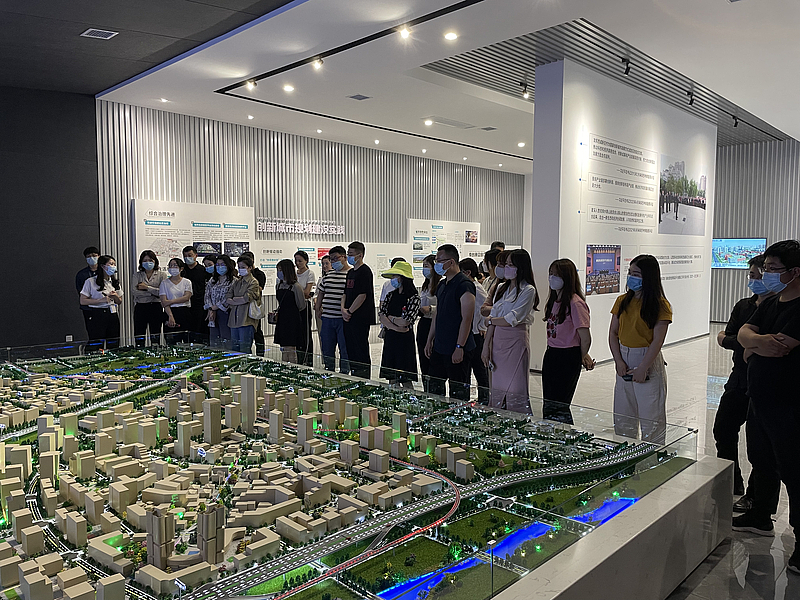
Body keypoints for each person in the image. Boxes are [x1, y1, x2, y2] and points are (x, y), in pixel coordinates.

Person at [734, 240, 800, 573]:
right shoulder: (773, 301)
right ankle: (760, 515)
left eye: (773, 269)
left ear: (794, 272)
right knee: (760, 458)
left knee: (793, 470)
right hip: (759, 399)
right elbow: (744, 334)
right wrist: (757, 342)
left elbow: (781, 347)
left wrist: (753, 345)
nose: (767, 274)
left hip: (788, 403)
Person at [714, 254, 771, 512]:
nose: (753, 280)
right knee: (723, 429)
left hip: (764, 381)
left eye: (758, 276)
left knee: (760, 445)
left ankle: (754, 497)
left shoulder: (778, 308)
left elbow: (775, 344)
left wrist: (745, 341)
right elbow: (726, 337)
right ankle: (730, 480)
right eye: (751, 276)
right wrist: (748, 342)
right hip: (738, 378)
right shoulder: (743, 306)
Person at [608, 254, 671, 442]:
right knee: (623, 418)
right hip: (624, 357)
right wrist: (618, 361)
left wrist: (643, 367)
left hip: (647, 358)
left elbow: (657, 341)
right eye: (630, 273)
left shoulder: (660, 305)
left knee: (651, 420)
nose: (631, 277)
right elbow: (613, 333)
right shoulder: (622, 301)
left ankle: (651, 457)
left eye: (636, 274)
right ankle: (625, 454)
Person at [483, 249, 538, 413]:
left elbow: (512, 318)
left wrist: (491, 320)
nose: (506, 268)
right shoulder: (501, 287)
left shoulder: (528, 290)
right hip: (497, 342)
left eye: (510, 265)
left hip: (515, 342)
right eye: (506, 265)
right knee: (497, 389)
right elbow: (493, 315)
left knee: (516, 388)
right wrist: (486, 346)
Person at [542, 258, 595, 423]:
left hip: (567, 357)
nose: (552, 278)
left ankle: (563, 434)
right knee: (549, 403)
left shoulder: (575, 303)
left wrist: (581, 355)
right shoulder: (555, 301)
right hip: (552, 353)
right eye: (551, 274)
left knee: (560, 405)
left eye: (556, 275)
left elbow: (585, 337)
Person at [425, 244, 476, 400]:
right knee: (434, 387)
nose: (437, 264)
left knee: (458, 391)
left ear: (451, 262)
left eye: (440, 261)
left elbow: (467, 319)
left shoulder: (464, 285)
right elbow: (437, 314)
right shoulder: (442, 284)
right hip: (440, 346)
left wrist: (459, 346)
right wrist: (430, 339)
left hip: (457, 347)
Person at [378, 261, 420, 387]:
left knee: (406, 378)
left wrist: (391, 319)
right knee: (391, 376)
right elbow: (382, 316)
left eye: (395, 276)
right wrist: (396, 326)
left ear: (402, 278)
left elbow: (406, 321)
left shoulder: (413, 297)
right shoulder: (391, 295)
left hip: (405, 341)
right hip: (391, 338)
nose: (393, 279)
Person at [342, 241, 375, 378]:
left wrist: (349, 311)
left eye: (351, 254)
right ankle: (354, 373)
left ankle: (364, 376)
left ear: (360, 255)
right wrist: (343, 309)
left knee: (360, 347)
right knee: (350, 348)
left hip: (360, 317)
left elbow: (362, 295)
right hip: (347, 316)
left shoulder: (365, 271)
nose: (349, 257)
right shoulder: (350, 272)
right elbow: (345, 293)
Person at [459, 258, 490, 403]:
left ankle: (485, 399)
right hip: (470, 332)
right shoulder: (467, 286)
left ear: (468, 272)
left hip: (476, 334)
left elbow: (485, 309)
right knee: (467, 370)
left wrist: (482, 327)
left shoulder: (476, 288)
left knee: (479, 369)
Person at [316, 246, 350, 373]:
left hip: (343, 319)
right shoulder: (328, 276)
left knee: (344, 349)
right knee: (327, 348)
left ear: (344, 257)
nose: (333, 261)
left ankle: (344, 374)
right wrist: (318, 308)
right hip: (327, 318)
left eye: (336, 258)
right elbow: (321, 293)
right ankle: (329, 372)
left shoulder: (350, 275)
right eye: (331, 259)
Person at [79, 255, 123, 350]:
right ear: (102, 266)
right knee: (97, 343)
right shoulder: (90, 281)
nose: (113, 266)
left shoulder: (114, 282)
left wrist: (115, 296)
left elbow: (119, 301)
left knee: (113, 342)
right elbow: (83, 301)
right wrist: (100, 300)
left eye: (114, 264)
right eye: (111, 264)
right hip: (97, 314)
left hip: (112, 313)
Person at [225, 255, 262, 354]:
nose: (240, 269)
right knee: (234, 348)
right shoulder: (237, 282)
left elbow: (246, 298)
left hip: (246, 320)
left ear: (250, 268)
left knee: (244, 349)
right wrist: (237, 300)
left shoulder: (253, 282)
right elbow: (228, 297)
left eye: (243, 267)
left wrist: (234, 299)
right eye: (239, 267)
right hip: (234, 319)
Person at [274, 259, 307, 364]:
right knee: (283, 348)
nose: (279, 272)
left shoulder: (296, 286)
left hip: (292, 319)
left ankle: (293, 367)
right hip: (282, 318)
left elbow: (301, 305)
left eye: (280, 270)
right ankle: (284, 366)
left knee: (291, 348)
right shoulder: (278, 285)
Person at [131, 250, 166, 346]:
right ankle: (139, 350)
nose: (148, 263)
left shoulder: (162, 275)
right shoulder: (137, 275)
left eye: (150, 260)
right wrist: (152, 293)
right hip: (141, 306)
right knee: (139, 333)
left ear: (155, 261)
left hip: (156, 306)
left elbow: (162, 292)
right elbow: (135, 292)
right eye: (145, 260)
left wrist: (146, 288)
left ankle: (155, 350)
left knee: (155, 334)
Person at [417, 255, 441, 391]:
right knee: (423, 360)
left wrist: (431, 309)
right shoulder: (425, 285)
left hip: (435, 324)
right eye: (423, 266)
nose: (424, 269)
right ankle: (426, 389)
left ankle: (435, 390)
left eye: (427, 266)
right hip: (423, 323)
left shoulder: (441, 285)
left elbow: (444, 307)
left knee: (434, 361)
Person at [204, 254, 236, 349]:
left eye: (222, 264)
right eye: (218, 264)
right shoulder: (212, 280)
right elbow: (207, 295)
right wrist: (211, 308)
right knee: (214, 339)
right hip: (211, 312)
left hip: (225, 312)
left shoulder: (233, 281)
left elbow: (229, 298)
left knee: (226, 338)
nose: (220, 267)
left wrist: (216, 307)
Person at [160, 258, 193, 344]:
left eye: (175, 265)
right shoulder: (164, 283)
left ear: (181, 268)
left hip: (184, 312)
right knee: (171, 341)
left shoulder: (187, 282)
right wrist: (170, 316)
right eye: (170, 265)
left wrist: (170, 301)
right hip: (170, 311)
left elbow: (186, 297)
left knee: (187, 339)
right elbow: (164, 302)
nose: (172, 267)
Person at [181, 246, 210, 344]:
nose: (187, 258)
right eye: (185, 256)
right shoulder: (182, 270)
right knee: (187, 332)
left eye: (190, 255)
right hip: (185, 305)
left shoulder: (203, 270)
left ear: (196, 256)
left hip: (199, 304)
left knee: (199, 330)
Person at [240, 252, 266, 355]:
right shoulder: (241, 278)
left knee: (257, 331)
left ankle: (261, 353)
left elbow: (257, 290)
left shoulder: (259, 275)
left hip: (253, 307)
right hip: (243, 308)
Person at [294, 250, 316, 366]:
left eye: (300, 261)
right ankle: (299, 357)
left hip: (304, 305)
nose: (298, 263)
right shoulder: (294, 274)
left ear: (306, 261)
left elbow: (307, 292)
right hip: (295, 305)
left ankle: (309, 358)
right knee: (297, 332)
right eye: (296, 261)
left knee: (306, 332)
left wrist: (298, 292)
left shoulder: (309, 273)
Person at [76, 246, 101, 340]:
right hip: (89, 309)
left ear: (99, 256)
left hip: (103, 308)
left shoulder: (104, 272)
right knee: (93, 334)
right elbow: (80, 291)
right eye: (89, 256)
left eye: (94, 255)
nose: (92, 258)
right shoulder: (82, 274)